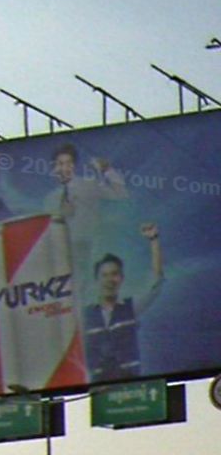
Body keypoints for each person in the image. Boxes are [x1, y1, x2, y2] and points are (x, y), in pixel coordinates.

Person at [44, 143, 129, 299]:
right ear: (54, 168)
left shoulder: (88, 185)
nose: (65, 168)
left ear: (74, 166)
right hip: (67, 252)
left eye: (69, 163)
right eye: (60, 164)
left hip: (93, 245)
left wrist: (108, 171)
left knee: (94, 287)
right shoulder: (51, 199)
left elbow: (121, 194)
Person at [83, 223, 164, 383]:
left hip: (131, 384)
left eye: (114, 274)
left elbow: (156, 283)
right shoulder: (85, 316)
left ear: (121, 278)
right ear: (96, 280)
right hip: (98, 387)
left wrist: (154, 240)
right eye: (104, 275)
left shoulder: (130, 307)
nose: (110, 280)